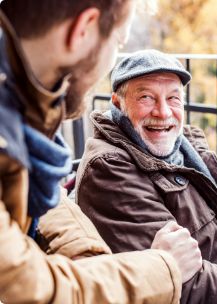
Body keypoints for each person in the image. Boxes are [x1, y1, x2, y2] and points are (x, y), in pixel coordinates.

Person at [0, 2, 203, 303]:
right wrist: (162, 267)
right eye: (118, 43)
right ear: (83, 29)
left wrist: (88, 255)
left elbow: (45, 198)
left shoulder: (18, 103)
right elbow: (25, 286)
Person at [76, 49, 217, 304]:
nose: (163, 112)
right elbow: (185, 286)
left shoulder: (182, 147)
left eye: (173, 98)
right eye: (146, 97)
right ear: (117, 103)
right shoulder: (109, 169)